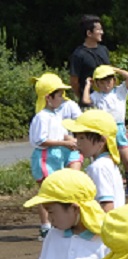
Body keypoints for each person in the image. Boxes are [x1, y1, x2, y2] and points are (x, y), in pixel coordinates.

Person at [29, 73, 82, 240]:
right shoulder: (42, 117)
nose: (62, 98)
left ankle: (53, 224)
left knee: (56, 192)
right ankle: (45, 226)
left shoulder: (55, 115)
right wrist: (64, 143)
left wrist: (68, 140)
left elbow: (60, 133)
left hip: (56, 156)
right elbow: (41, 140)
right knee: (46, 192)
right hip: (45, 158)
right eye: (59, 95)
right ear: (48, 97)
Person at [82, 64, 128, 199]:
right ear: (97, 83)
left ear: (114, 80)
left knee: (127, 159)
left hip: (118, 128)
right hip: (103, 130)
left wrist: (115, 70)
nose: (106, 85)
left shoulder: (120, 91)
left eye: (109, 81)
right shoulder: (97, 95)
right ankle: (100, 187)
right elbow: (85, 100)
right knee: (102, 160)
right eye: (102, 82)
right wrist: (87, 84)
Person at [62, 109, 125, 211]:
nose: (78, 143)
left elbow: (107, 205)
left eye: (82, 138)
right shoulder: (108, 162)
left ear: (102, 141)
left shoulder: (98, 167)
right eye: (76, 137)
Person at [70, 14, 110, 106]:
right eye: (98, 30)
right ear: (89, 33)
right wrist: (82, 96)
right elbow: (74, 81)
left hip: (107, 99)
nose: (102, 32)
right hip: (89, 100)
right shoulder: (78, 54)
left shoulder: (104, 49)